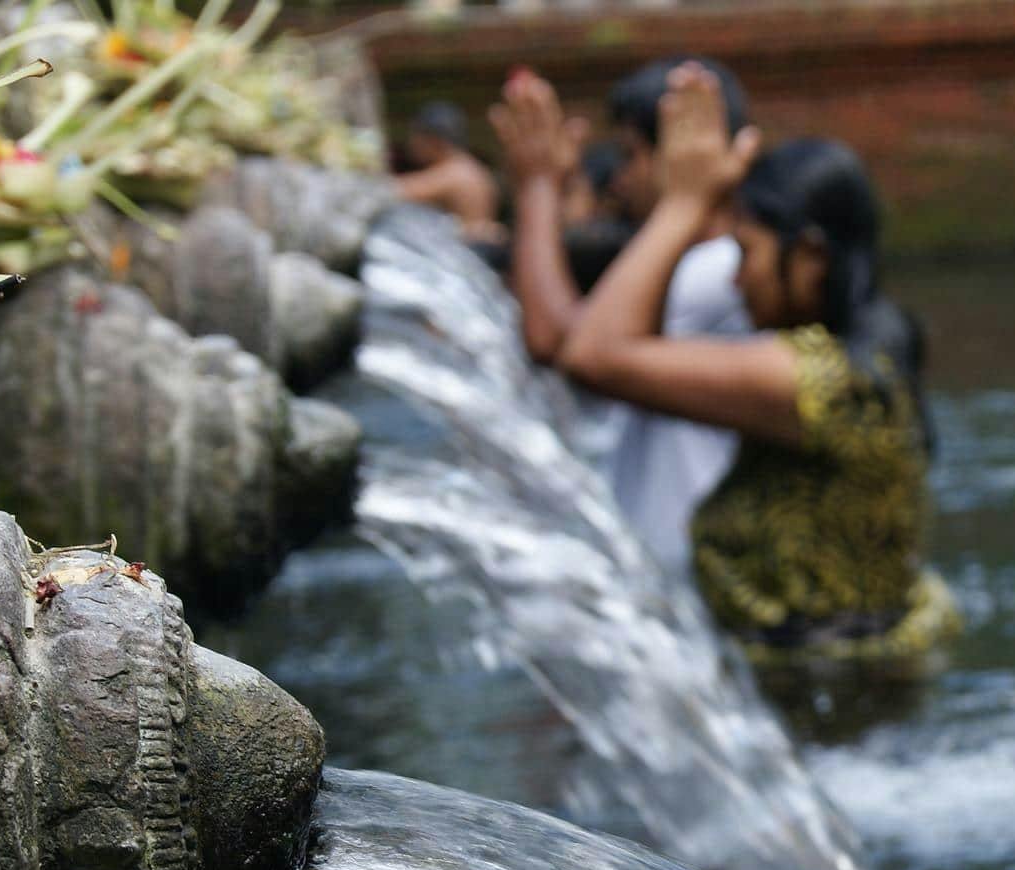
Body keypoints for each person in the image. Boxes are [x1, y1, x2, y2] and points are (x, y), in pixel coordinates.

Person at [557, 65, 957, 663]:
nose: (736, 278)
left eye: (747, 254)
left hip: (824, 705)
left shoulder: (812, 380)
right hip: (830, 692)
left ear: (812, 256)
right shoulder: (860, 352)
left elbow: (592, 355)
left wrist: (685, 203)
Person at [491, 59, 751, 573]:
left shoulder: (720, 272)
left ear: (679, 156)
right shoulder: (686, 266)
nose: (620, 180)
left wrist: (538, 186)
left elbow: (559, 340)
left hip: (696, 580)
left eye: (632, 156)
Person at [394, 100, 502, 240]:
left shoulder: (456, 172)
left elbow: (393, 192)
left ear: (434, 140)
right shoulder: (469, 166)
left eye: (416, 138)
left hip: (467, 252)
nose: (411, 144)